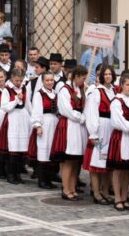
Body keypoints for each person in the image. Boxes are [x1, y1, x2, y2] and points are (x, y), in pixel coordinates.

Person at [50, 65, 88, 200]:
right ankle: (66, 189)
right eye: (82, 78)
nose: (84, 81)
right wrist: (80, 117)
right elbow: (66, 110)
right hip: (69, 126)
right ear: (76, 77)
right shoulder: (64, 90)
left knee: (75, 161)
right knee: (68, 160)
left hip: (79, 128)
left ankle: (72, 188)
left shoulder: (81, 89)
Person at [83, 65, 116, 204]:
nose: (108, 76)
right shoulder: (97, 92)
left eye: (110, 74)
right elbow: (92, 113)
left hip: (111, 128)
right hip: (101, 127)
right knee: (97, 162)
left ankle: (105, 191)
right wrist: (93, 133)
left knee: (107, 163)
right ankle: (96, 193)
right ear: (102, 76)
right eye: (105, 74)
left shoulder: (114, 91)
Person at [0, 67, 31, 185]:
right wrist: (16, 100)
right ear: (12, 78)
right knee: (13, 147)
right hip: (12, 118)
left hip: (23, 118)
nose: (19, 83)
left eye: (20, 80)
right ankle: (10, 174)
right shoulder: (7, 90)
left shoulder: (24, 88)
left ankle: (18, 174)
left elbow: (28, 104)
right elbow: (5, 107)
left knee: (21, 147)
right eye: (17, 80)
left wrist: (32, 118)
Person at [107, 72, 129, 211]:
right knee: (118, 169)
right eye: (128, 85)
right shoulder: (116, 101)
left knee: (128, 170)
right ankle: (117, 198)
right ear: (121, 85)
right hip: (120, 137)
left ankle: (125, 196)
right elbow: (118, 122)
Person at [29, 71, 59, 189]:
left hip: (54, 123)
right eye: (47, 80)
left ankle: (49, 179)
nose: (50, 82)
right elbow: (36, 111)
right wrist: (38, 125)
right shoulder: (39, 94)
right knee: (43, 151)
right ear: (42, 81)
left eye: (51, 80)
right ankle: (42, 180)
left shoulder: (55, 93)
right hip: (44, 123)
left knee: (50, 151)